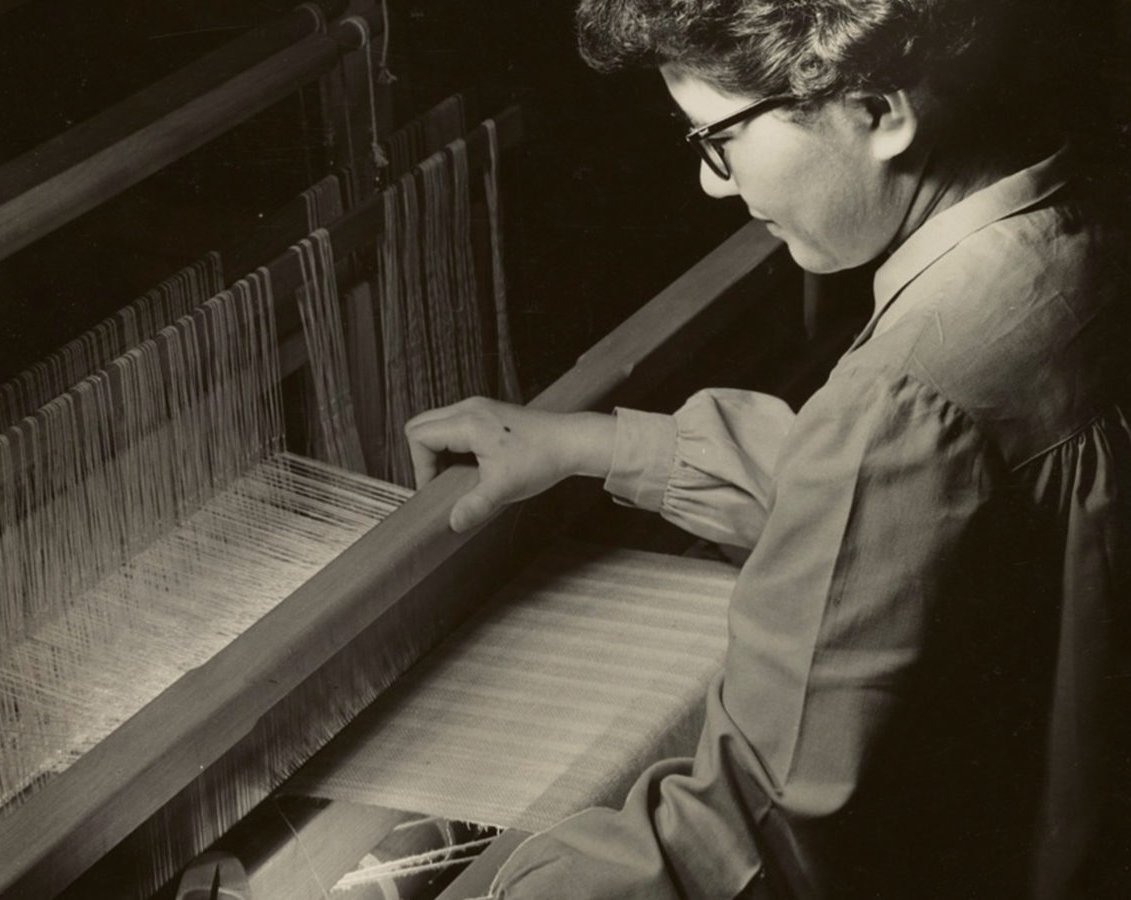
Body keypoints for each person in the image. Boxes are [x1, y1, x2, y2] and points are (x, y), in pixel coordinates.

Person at [405, 0, 1131, 896]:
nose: (714, 182)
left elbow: (754, 830)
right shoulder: (1071, 224)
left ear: (879, 111)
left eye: (720, 137)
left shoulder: (905, 393)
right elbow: (913, 524)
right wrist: (589, 444)